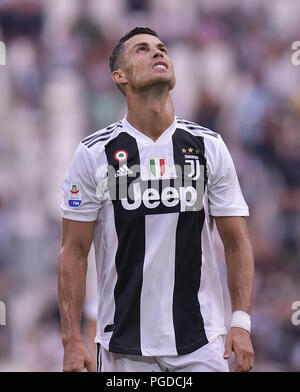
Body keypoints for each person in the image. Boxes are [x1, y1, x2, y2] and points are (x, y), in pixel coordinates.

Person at [58, 27, 255, 372]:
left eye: (162, 48)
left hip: (202, 343)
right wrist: (72, 338)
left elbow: (237, 241)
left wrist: (241, 321)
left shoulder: (209, 146)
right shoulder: (94, 154)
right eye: (143, 50)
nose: (158, 53)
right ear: (120, 77)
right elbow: (73, 251)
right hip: (123, 346)